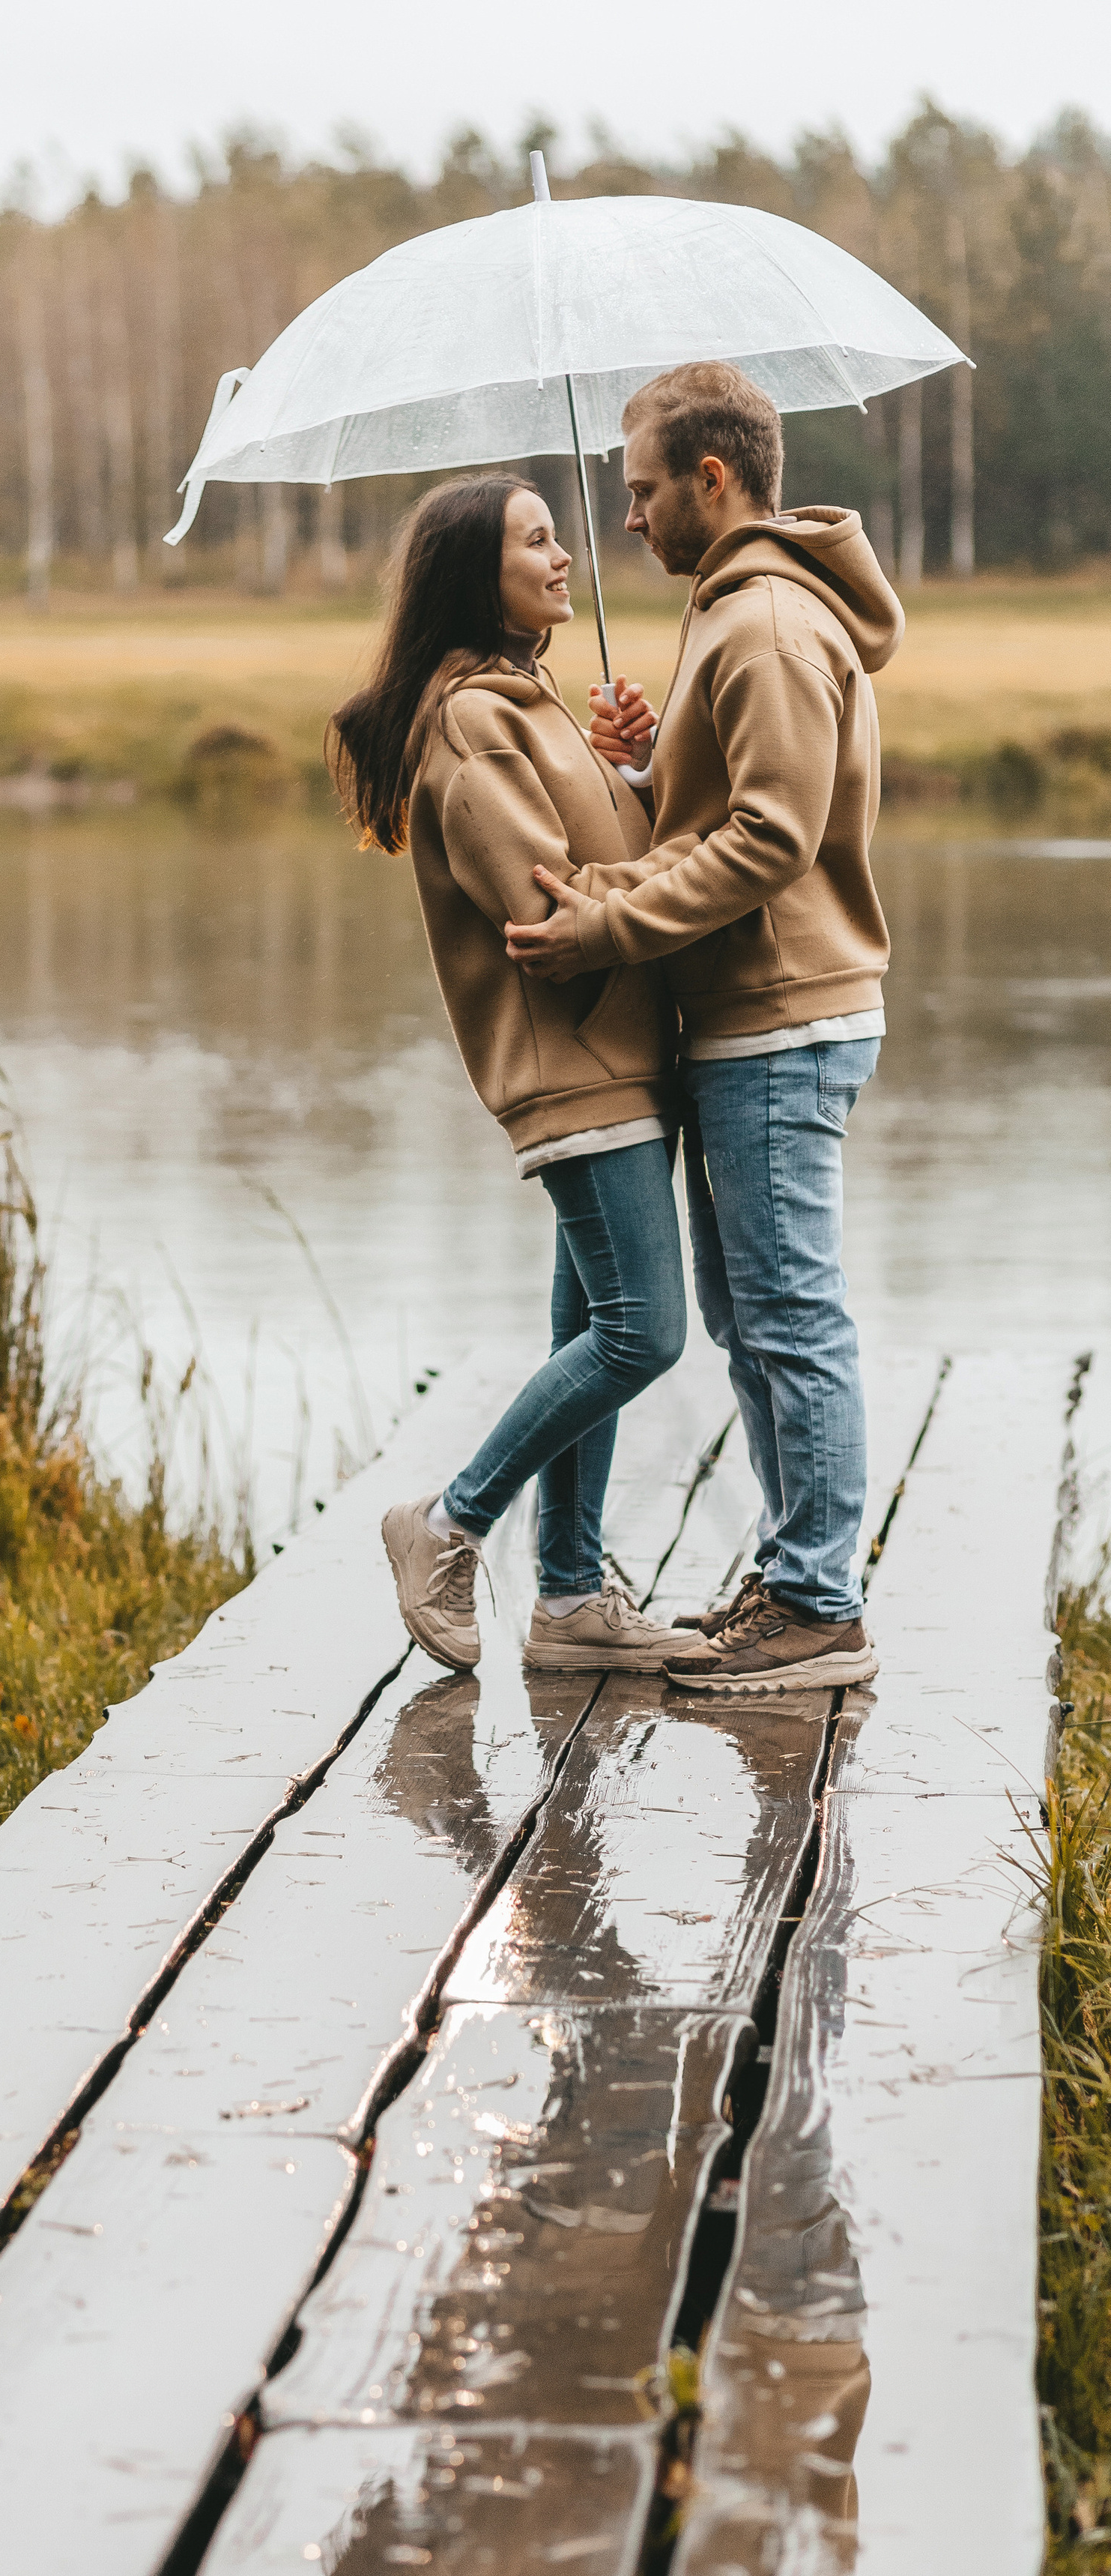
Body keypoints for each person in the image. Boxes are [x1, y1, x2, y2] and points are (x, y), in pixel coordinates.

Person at [507, 362, 898, 1701]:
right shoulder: (735, 618)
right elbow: (731, 795)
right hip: (753, 1019)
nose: (628, 520)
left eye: (642, 491)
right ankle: (802, 1582)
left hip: (778, 1021)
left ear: (711, 482)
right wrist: (656, 753)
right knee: (753, 1316)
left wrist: (608, 921)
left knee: (787, 1318)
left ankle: (821, 1609)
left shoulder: (767, 623)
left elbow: (774, 838)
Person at [327, 474, 709, 1677]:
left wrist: (631, 778)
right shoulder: (468, 720)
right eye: (534, 541)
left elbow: (598, 851)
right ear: (472, 577)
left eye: (558, 537)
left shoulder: (522, 698)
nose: (562, 557)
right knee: (645, 1333)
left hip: (620, 1056)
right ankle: (446, 1526)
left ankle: (571, 1597)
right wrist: (711, 878)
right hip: (576, 1061)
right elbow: (542, 905)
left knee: (594, 1326)